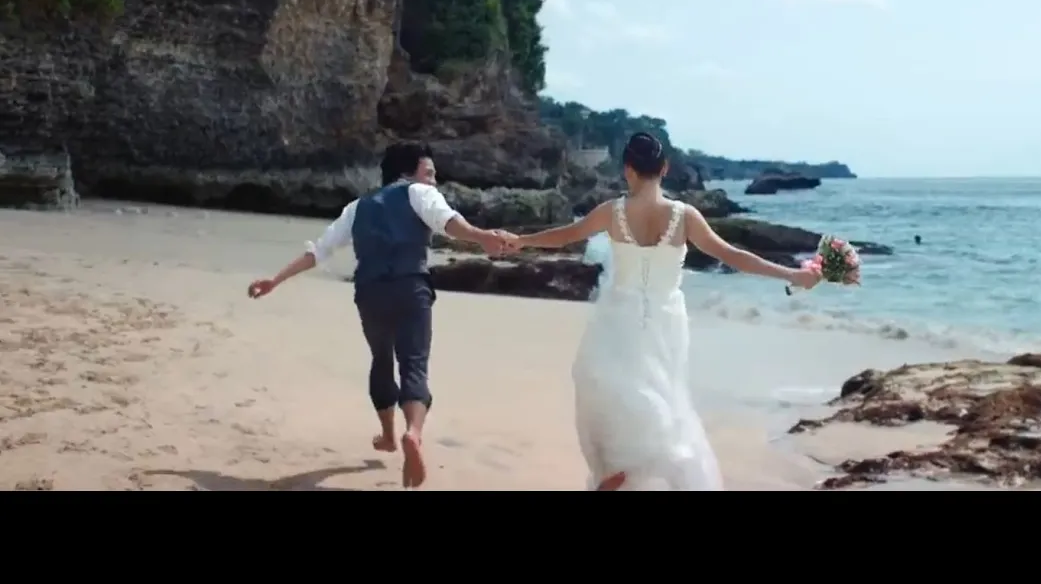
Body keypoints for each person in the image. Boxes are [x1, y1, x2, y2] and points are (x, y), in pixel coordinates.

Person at [503, 133, 822, 490]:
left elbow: (565, 235)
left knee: (611, 398)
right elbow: (733, 255)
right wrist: (792, 274)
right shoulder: (685, 216)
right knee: (661, 405)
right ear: (665, 168)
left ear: (628, 170)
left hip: (616, 322)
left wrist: (521, 241)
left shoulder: (612, 212)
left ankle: (620, 479)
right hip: (666, 323)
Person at [246, 142, 513, 489]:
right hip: (410, 288)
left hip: (370, 292)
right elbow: (447, 221)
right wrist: (481, 237)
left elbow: (319, 251)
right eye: (429, 173)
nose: (434, 181)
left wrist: (275, 280)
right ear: (407, 173)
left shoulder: (357, 207)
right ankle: (413, 433)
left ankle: (388, 436)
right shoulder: (419, 192)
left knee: (381, 359)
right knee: (414, 363)